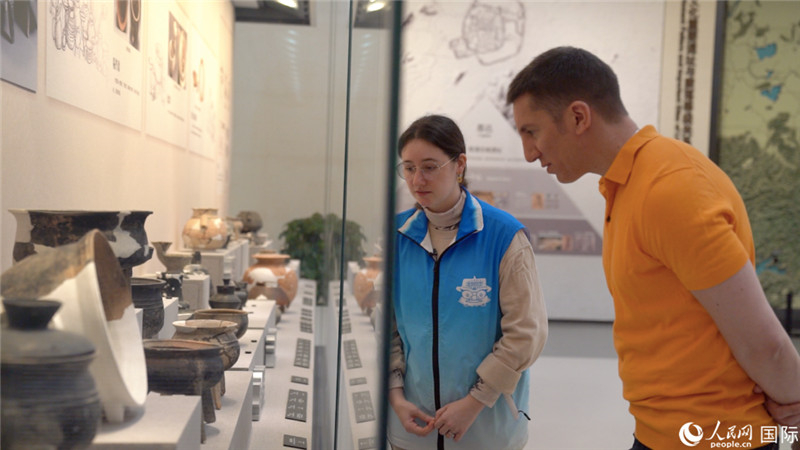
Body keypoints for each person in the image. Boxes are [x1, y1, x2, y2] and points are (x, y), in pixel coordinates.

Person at [506, 46, 800, 450]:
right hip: (663, 433)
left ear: (578, 116)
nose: (529, 153)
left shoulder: (671, 187)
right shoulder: (629, 184)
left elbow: (764, 343)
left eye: (531, 132)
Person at [388, 114, 548, 449]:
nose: (418, 179)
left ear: (459, 164)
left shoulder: (503, 236)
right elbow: (386, 327)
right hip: (412, 426)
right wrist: (395, 395)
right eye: (408, 167)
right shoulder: (395, 235)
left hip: (486, 429)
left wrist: (475, 401)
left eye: (430, 166)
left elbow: (526, 334)